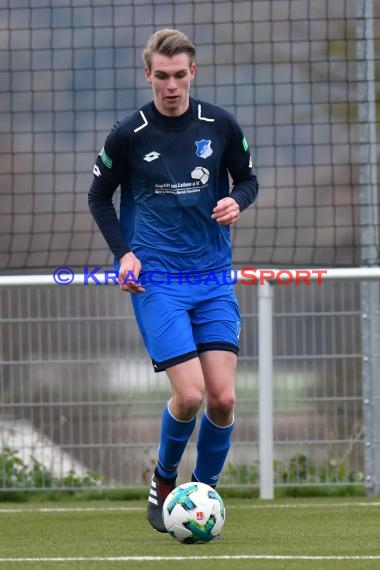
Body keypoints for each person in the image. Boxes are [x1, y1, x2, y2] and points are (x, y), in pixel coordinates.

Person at [88, 28, 259, 533]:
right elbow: (99, 197)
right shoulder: (129, 133)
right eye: (161, 76)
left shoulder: (220, 125)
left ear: (193, 73)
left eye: (180, 75)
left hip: (212, 279)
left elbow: (247, 179)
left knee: (223, 399)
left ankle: (202, 494)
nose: (171, 85)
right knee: (188, 396)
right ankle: (164, 480)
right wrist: (124, 254)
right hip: (157, 281)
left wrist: (238, 201)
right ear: (148, 75)